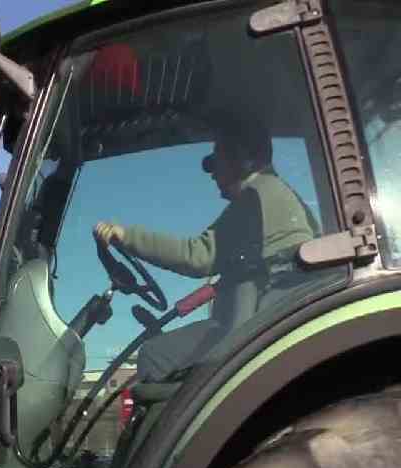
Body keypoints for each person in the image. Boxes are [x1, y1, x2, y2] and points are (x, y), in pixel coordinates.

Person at [92, 115, 319, 381]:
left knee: (155, 355)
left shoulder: (257, 196)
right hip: (258, 320)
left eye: (216, 159)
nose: (211, 172)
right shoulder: (275, 194)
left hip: (252, 327)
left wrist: (125, 236)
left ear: (243, 157)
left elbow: (198, 255)